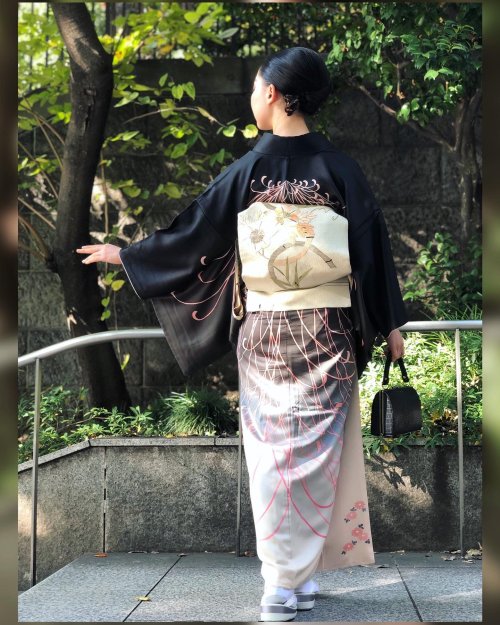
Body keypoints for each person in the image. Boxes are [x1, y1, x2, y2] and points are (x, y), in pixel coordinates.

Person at [76, 46, 407, 622]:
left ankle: (282, 585)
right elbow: (372, 254)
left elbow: (194, 235)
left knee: (271, 455)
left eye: (257, 88)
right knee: (317, 455)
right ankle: (294, 580)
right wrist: (391, 323)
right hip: (326, 332)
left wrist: (128, 255)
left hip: (266, 336)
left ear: (275, 94)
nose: (253, 97)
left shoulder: (246, 171)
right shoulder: (341, 169)